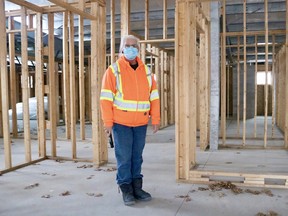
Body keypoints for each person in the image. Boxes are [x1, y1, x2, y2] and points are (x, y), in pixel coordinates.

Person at [100, 35, 160, 206]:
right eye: (128, 45)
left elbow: (154, 97)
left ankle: (137, 187)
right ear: (122, 49)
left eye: (134, 46)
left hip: (141, 123)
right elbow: (105, 98)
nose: (131, 48)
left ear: (139, 50)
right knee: (124, 157)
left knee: (136, 157)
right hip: (121, 123)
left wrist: (155, 118)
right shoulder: (113, 70)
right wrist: (108, 122)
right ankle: (126, 188)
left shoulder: (147, 71)